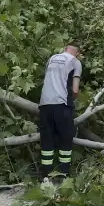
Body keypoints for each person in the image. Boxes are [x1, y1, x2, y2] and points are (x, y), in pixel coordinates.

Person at [38, 45, 83, 179]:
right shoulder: (75, 62)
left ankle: (46, 176)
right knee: (66, 138)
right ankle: (63, 174)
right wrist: (73, 98)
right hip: (62, 104)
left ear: (64, 49)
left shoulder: (52, 58)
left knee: (47, 139)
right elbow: (75, 90)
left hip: (45, 104)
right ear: (77, 53)